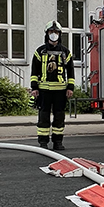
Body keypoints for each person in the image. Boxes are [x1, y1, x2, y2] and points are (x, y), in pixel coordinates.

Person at [30, 20, 74, 151]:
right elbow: (34, 71)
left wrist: (70, 88)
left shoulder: (65, 52)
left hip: (60, 91)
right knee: (43, 117)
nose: (53, 34)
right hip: (44, 90)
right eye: (51, 31)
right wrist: (34, 88)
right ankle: (43, 142)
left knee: (59, 117)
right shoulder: (40, 51)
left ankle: (58, 142)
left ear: (60, 34)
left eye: (56, 32)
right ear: (47, 33)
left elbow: (71, 71)